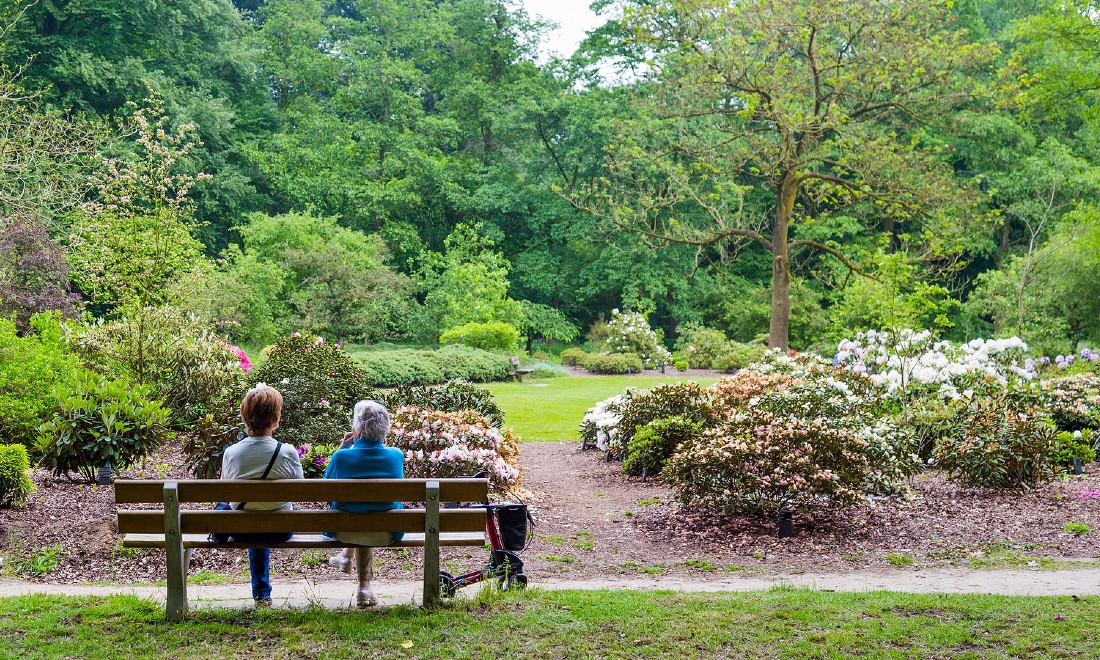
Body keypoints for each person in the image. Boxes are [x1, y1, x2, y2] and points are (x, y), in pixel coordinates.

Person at [219, 383, 304, 607]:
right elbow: (301, 488)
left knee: (250, 514)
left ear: (246, 418)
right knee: (268, 512)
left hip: (241, 530)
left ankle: (261, 594)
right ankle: (262, 594)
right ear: (275, 419)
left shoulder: (232, 453)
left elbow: (224, 491)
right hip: (280, 529)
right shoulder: (287, 452)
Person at [322, 400, 404, 607]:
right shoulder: (396, 456)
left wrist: (341, 449)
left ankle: (350, 564)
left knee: (359, 515)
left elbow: (324, 490)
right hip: (386, 531)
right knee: (370, 514)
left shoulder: (342, 457)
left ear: (356, 428)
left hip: (345, 531)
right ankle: (363, 587)